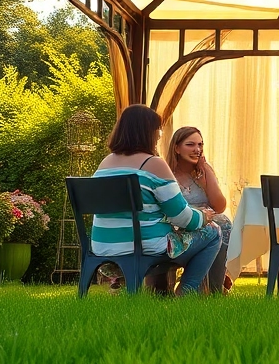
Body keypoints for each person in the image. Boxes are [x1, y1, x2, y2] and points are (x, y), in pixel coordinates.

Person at [91, 104, 221, 294]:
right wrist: (204, 216)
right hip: (145, 247)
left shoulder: (105, 164)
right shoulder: (153, 164)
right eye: (157, 130)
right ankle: (187, 292)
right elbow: (182, 218)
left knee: (167, 232)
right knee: (213, 232)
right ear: (147, 132)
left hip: (103, 247)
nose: (159, 135)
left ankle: (158, 291)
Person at [166, 125, 232, 295]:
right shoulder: (166, 173)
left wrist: (205, 182)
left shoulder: (204, 169)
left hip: (206, 221)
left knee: (224, 223)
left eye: (200, 145)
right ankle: (186, 286)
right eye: (190, 145)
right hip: (180, 223)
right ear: (176, 148)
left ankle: (214, 288)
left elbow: (219, 207)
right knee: (216, 226)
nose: (197, 150)